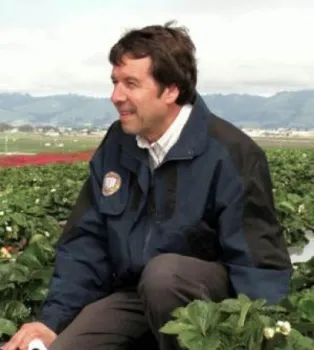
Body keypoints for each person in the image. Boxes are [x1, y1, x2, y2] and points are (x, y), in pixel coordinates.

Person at [2, 21, 292, 350]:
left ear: (170, 90)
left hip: (208, 307)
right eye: (114, 82)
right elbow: (87, 243)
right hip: (133, 295)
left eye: (130, 84)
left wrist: (256, 338)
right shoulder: (118, 143)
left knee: (164, 276)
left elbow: (257, 265)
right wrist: (51, 322)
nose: (115, 96)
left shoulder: (231, 153)